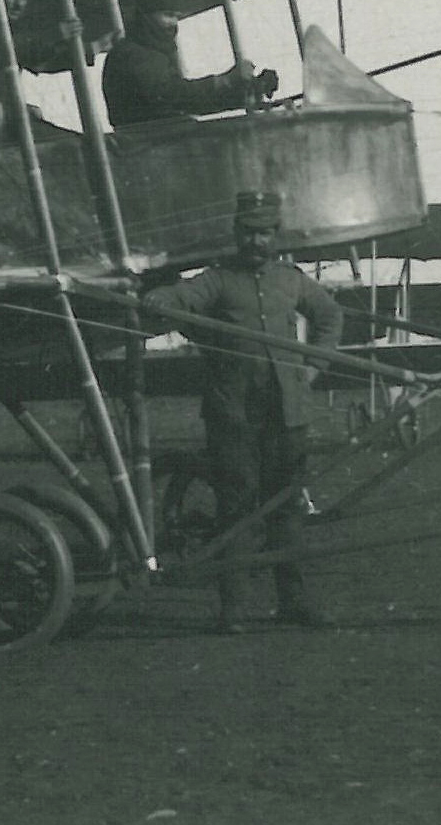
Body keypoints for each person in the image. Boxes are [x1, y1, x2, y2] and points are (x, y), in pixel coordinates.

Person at [143, 192, 342, 632]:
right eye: (249, 232)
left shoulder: (291, 280)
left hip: (286, 415)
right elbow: (181, 297)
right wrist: (157, 298)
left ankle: (294, 602)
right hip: (234, 417)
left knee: (287, 506)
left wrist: (314, 368)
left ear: (276, 235)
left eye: (265, 233)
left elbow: (329, 316)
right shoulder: (218, 280)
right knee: (237, 508)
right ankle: (233, 609)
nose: (257, 241)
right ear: (237, 233)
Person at [101, 0, 278, 128]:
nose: (173, 23)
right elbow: (171, 96)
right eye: (167, 15)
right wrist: (224, 81)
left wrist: (245, 90)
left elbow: (187, 102)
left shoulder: (152, 53)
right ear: (145, 15)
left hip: (157, 139)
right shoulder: (130, 53)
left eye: (177, 17)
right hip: (141, 146)